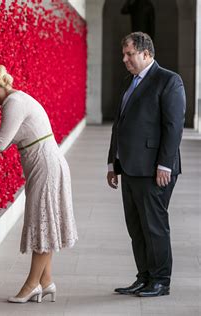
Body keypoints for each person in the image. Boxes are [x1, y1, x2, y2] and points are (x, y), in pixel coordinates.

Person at [0, 65, 78, 303]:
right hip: (46, 163)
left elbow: (1, 143)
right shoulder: (18, 99)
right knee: (46, 220)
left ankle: (31, 285)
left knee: (42, 221)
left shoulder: (13, 102)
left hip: (45, 166)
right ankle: (45, 281)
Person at [107, 32, 185, 297]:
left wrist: (164, 164)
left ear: (146, 53)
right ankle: (144, 277)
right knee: (136, 228)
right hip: (129, 167)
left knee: (154, 227)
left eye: (129, 54)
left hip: (154, 170)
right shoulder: (130, 81)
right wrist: (112, 163)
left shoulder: (169, 81)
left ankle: (161, 281)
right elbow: (120, 124)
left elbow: (173, 127)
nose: (124, 59)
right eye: (124, 54)